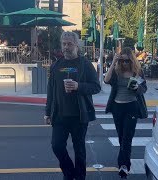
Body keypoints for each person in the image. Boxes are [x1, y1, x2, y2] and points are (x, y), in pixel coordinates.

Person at [44, 31, 101, 180]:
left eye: (69, 44)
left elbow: (96, 87)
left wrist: (78, 86)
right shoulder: (56, 66)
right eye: (64, 44)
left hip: (79, 116)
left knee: (79, 149)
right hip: (60, 116)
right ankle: (69, 173)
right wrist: (47, 112)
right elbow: (51, 91)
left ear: (76, 45)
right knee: (57, 146)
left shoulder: (85, 64)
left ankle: (80, 176)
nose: (66, 47)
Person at [104, 47, 148, 179]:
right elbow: (106, 80)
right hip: (117, 108)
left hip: (132, 107)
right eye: (122, 60)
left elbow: (144, 88)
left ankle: (124, 165)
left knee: (127, 139)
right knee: (121, 137)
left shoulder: (137, 72)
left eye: (127, 61)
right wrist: (113, 63)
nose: (124, 63)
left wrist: (137, 88)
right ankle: (123, 163)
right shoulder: (117, 72)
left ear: (132, 60)